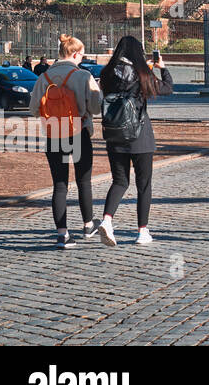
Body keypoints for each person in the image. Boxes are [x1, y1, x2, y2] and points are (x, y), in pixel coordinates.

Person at [29, 34, 103, 249]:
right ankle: (88, 225)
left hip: (54, 134)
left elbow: (34, 109)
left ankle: (62, 234)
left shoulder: (44, 78)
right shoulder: (82, 76)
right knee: (84, 181)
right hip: (78, 132)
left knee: (59, 186)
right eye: (82, 55)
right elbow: (96, 109)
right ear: (76, 53)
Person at [98, 35, 171, 246]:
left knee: (119, 181)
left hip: (115, 134)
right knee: (144, 185)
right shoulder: (142, 75)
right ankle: (142, 231)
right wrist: (162, 67)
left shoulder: (107, 73)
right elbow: (167, 88)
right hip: (140, 135)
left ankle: (107, 220)